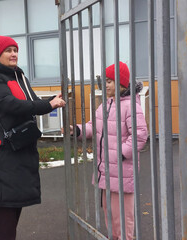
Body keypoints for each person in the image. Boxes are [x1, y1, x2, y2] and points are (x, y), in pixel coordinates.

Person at [0, 35, 65, 240]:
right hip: (3, 152)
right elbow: (10, 104)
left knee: (14, 204)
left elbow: (33, 103)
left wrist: (51, 101)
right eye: (8, 50)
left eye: (15, 50)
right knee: (3, 207)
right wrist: (48, 105)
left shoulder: (19, 77)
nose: (13, 54)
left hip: (20, 150)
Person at [67, 61, 148, 240]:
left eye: (110, 81)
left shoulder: (130, 106)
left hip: (122, 170)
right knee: (110, 214)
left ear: (121, 82)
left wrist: (119, 154)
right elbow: (93, 126)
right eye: (105, 81)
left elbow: (140, 135)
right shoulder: (106, 104)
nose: (106, 85)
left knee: (124, 218)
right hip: (106, 171)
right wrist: (78, 130)